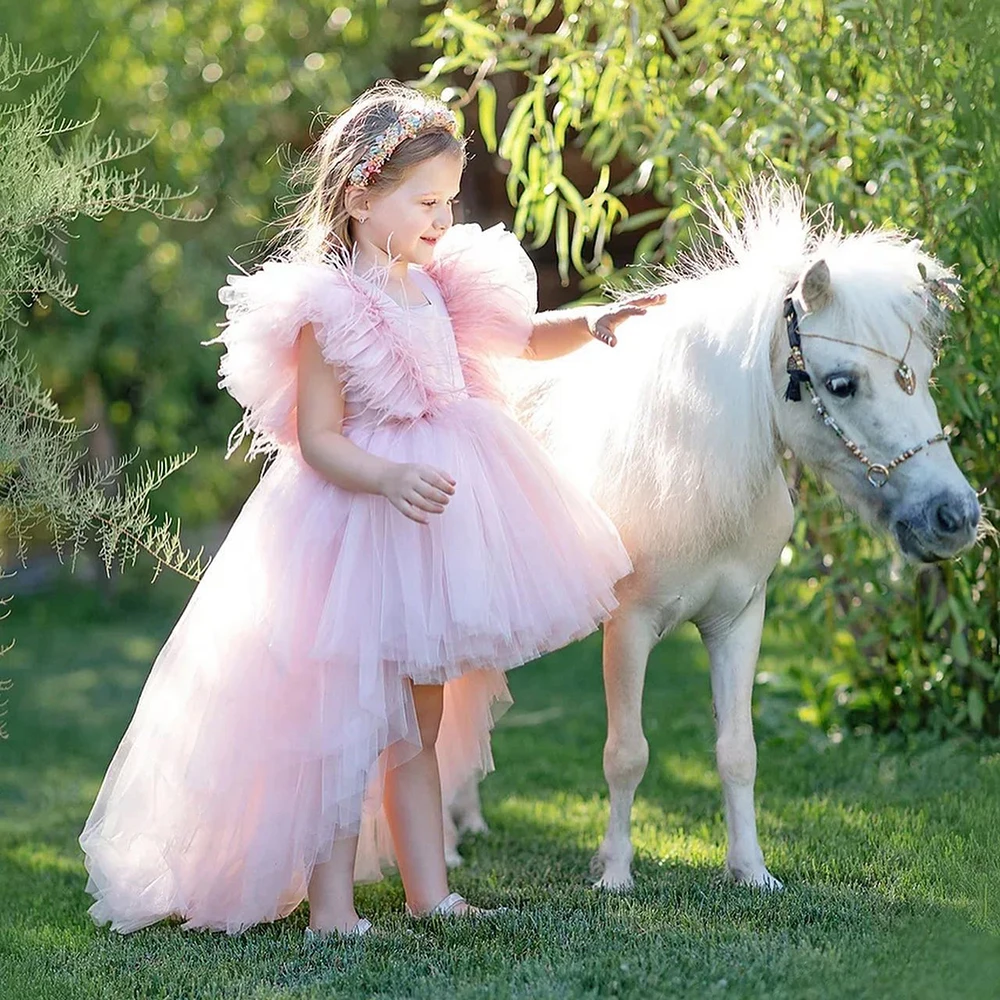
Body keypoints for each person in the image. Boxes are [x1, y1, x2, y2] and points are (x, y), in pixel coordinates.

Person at [79, 81, 658, 940]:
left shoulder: (440, 285)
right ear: (358, 195)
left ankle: (433, 894)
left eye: (448, 202)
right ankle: (331, 910)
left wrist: (595, 320)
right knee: (345, 725)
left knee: (418, 725)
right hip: (350, 525)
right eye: (424, 202)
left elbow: (525, 338)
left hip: (435, 531)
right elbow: (316, 438)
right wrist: (385, 477)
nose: (441, 218)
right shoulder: (329, 307)